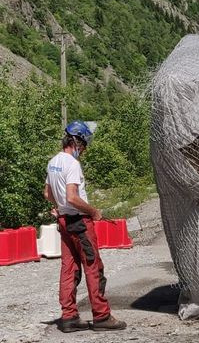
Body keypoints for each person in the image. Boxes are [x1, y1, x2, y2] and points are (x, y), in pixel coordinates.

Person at [44, 120, 126, 333]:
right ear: (76, 141)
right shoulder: (72, 164)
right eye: (84, 143)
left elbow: (47, 194)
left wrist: (58, 207)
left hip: (64, 222)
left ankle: (69, 316)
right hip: (80, 223)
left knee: (68, 269)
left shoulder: (52, 162)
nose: (85, 148)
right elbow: (72, 197)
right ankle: (101, 316)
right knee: (93, 267)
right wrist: (93, 211)